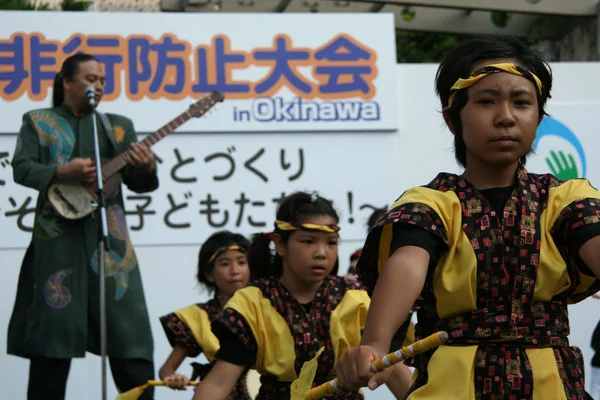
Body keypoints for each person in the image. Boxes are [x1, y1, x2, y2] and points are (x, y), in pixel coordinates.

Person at [336, 35, 600, 399]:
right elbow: (409, 262)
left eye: (521, 103)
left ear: (538, 117)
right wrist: (375, 344)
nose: (506, 116)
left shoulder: (566, 199)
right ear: (452, 117)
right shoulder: (430, 204)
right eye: (486, 101)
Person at [7, 53, 159, 400]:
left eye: (103, 80)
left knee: (129, 334)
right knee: (52, 339)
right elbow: (22, 168)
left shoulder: (117, 126)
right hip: (57, 243)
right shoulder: (38, 121)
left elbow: (141, 183)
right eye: (90, 79)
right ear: (67, 82)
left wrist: (147, 167)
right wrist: (61, 172)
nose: (98, 86)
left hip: (111, 244)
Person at [190, 191, 411, 400]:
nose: (321, 253)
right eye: (308, 241)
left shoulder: (357, 298)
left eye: (331, 242)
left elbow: (394, 369)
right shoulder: (252, 303)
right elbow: (219, 382)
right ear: (279, 244)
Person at [158, 230, 254, 398]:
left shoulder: (269, 307)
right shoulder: (198, 317)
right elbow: (166, 369)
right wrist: (172, 378)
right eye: (225, 264)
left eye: (241, 262)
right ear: (209, 274)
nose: (235, 271)